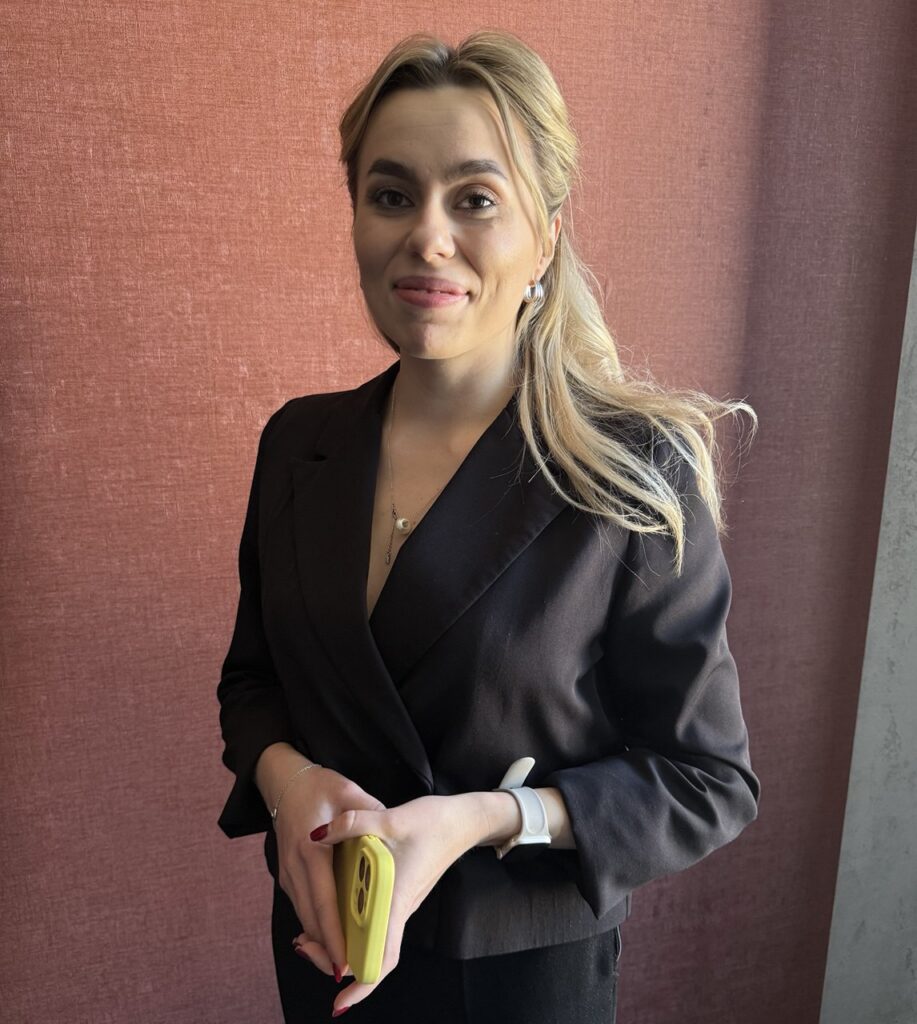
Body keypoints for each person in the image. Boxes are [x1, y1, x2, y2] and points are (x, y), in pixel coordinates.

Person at [216, 29, 760, 1023]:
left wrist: (486, 817)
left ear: (542, 236)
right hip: (324, 951)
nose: (427, 236)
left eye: (473, 199)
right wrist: (288, 784)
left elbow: (706, 779)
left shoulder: (632, 470)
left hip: (516, 983)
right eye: (391, 195)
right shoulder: (297, 444)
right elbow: (252, 685)